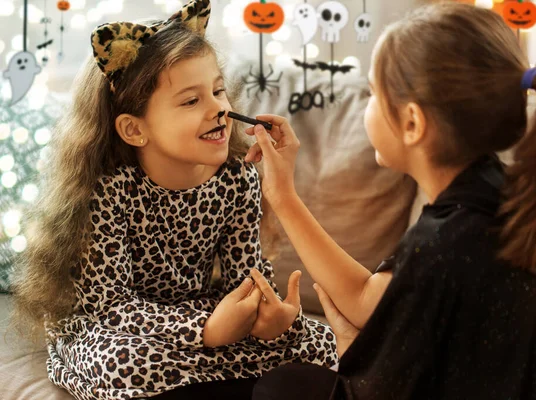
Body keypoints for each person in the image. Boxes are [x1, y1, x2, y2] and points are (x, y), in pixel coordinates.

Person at [246, 3, 536, 399]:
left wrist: (351, 349)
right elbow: (369, 299)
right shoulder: (498, 200)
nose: (367, 105)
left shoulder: (444, 247)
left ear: (412, 123)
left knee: (281, 388)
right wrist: (283, 196)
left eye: (372, 93)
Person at [10, 1, 336, 399]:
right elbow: (112, 309)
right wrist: (206, 332)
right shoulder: (109, 191)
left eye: (218, 90)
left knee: (318, 341)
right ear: (134, 129)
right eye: (190, 101)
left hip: (203, 312)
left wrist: (267, 313)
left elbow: (244, 279)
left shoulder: (238, 177)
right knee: (120, 364)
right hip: (120, 328)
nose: (219, 108)